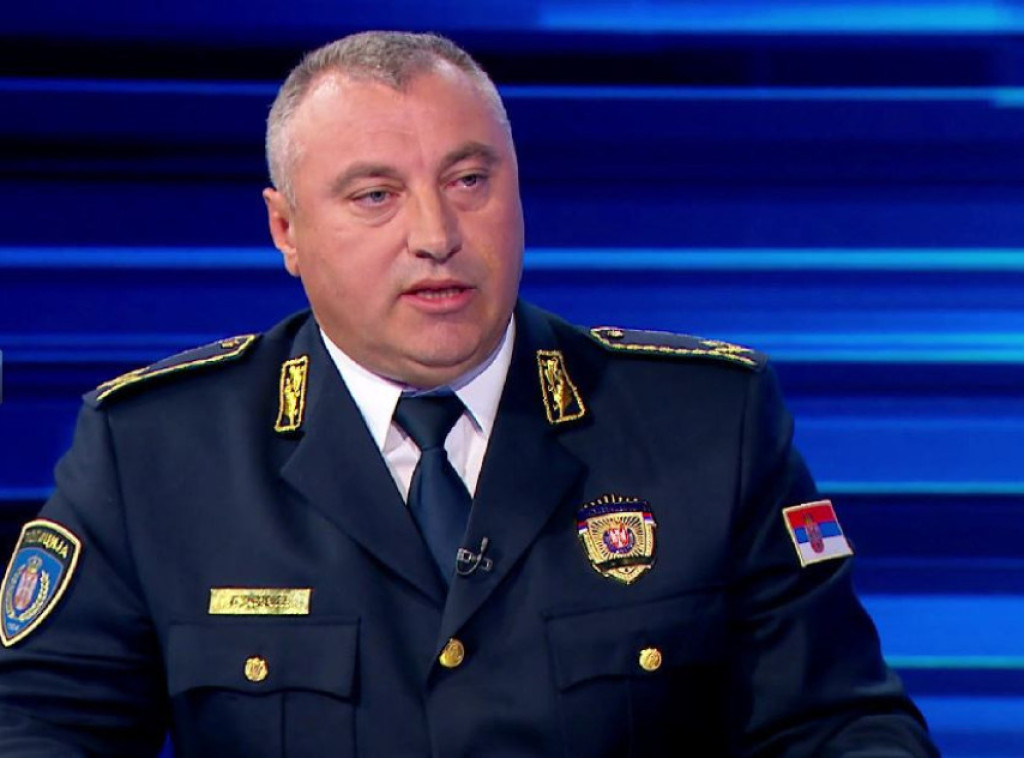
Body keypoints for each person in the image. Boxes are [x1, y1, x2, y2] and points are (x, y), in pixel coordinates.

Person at [0, 31, 938, 757]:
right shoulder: (155, 451)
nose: (437, 233)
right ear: (286, 231)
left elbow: (839, 727)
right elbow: (39, 725)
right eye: (376, 195)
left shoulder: (709, 423)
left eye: (470, 180)